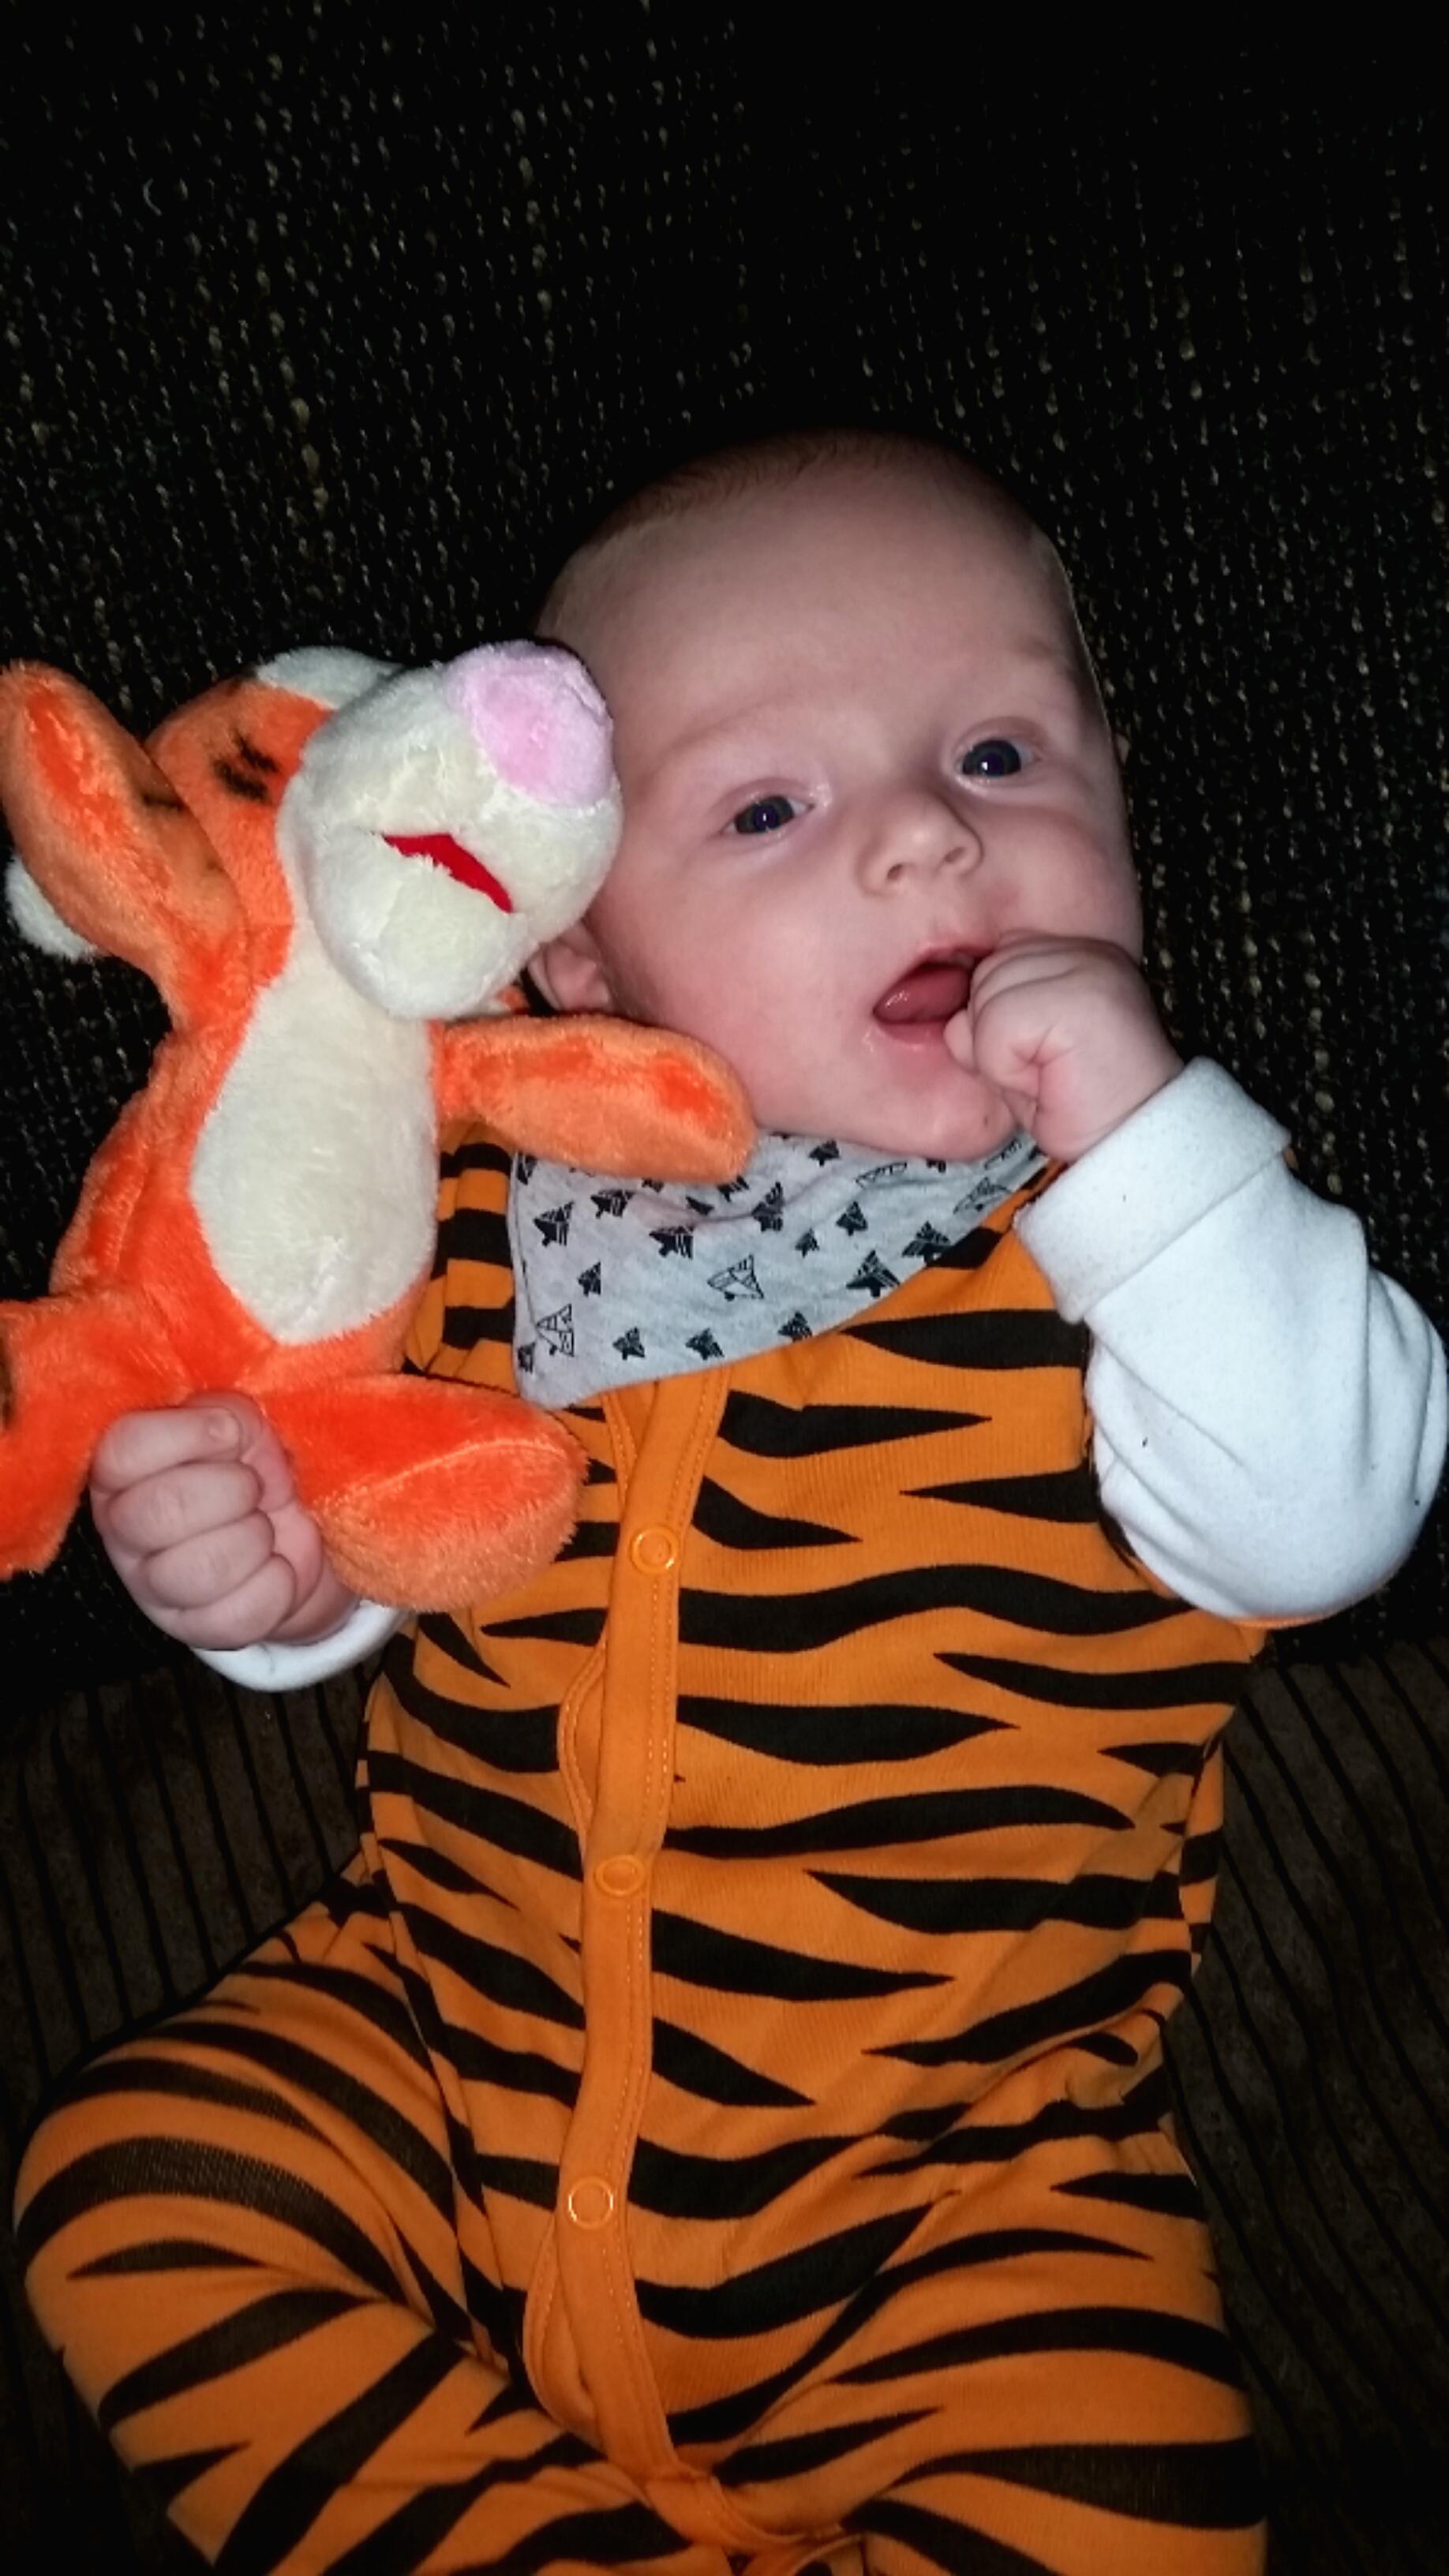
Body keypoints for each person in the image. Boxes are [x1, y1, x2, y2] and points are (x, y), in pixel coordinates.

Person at [14, 423, 1447, 2576]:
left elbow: (1327, 1518)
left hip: (947, 2204)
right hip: (440, 2072)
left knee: (1137, 2509)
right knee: (136, 2189)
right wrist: (274, 1584)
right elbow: (380, 1512)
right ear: (585, 965)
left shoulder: (1142, 1260)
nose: (924, 841)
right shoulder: (478, 1222)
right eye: (770, 809)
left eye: (995, 758)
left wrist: (1148, 1139)